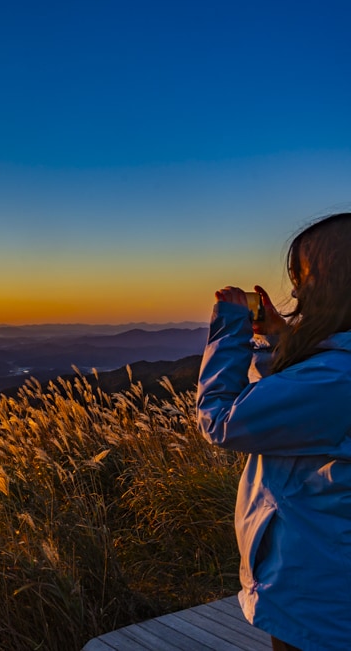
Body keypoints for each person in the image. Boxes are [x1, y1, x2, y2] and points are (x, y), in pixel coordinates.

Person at [196, 212, 351, 651]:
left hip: (319, 600)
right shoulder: (334, 373)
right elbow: (302, 403)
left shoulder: (335, 381)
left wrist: (231, 328)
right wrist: (282, 340)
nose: (297, 290)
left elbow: (220, 420)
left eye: (302, 276)